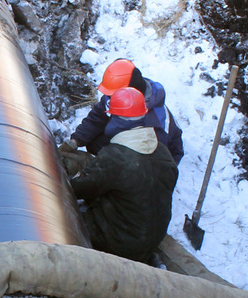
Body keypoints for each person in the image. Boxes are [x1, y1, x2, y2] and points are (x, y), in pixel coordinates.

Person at [69, 87, 179, 263]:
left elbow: (77, 189)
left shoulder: (115, 157)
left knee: (71, 216)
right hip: (150, 240)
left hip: (119, 243)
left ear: (117, 119)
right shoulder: (163, 152)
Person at [61, 58, 183, 176]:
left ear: (127, 92)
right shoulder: (117, 97)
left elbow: (154, 163)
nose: (108, 98)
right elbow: (97, 118)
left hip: (151, 160)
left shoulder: (154, 122)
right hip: (128, 139)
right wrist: (76, 140)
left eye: (112, 95)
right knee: (95, 143)